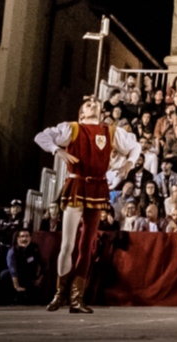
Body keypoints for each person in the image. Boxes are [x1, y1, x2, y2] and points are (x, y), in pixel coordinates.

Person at [33, 96, 137, 313]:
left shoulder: (110, 132)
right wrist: (57, 150)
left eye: (95, 104)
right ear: (81, 114)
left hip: (98, 186)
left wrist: (129, 162)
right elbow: (41, 137)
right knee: (68, 243)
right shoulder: (72, 128)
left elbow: (135, 146)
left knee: (87, 246)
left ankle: (76, 298)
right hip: (77, 183)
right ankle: (59, 294)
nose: (93, 105)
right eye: (87, 105)